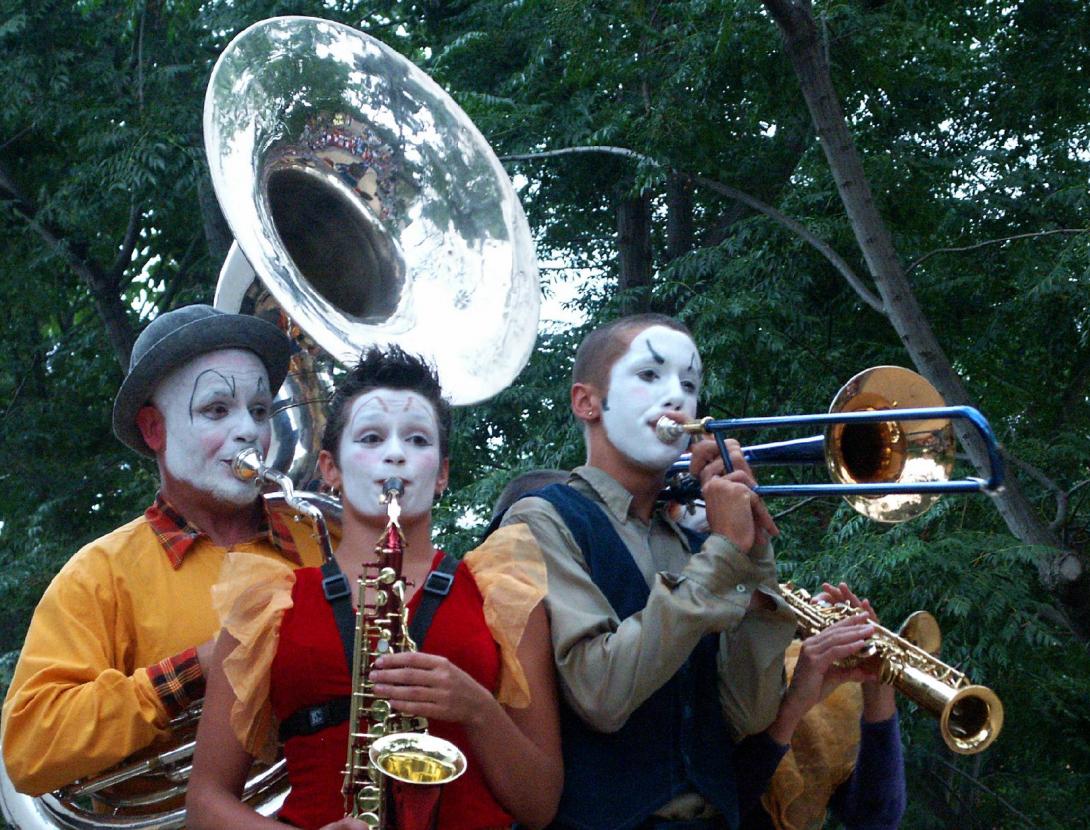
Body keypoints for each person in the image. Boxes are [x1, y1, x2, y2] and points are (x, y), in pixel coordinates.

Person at [186, 346, 562, 830]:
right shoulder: (267, 602)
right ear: (330, 470)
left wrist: (477, 709)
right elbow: (205, 804)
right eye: (370, 437)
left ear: (442, 472)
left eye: (418, 440)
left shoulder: (502, 594)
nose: (396, 454)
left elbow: (542, 803)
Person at [1, 304, 328, 795]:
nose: (249, 432)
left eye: (259, 411)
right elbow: (27, 748)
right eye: (217, 409)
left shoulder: (323, 535)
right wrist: (198, 668)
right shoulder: (99, 575)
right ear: (155, 429)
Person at [499, 313, 799, 829]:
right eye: (649, 375)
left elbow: (744, 715)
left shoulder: (687, 540)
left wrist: (753, 553)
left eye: (689, 384)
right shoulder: (541, 519)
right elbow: (602, 695)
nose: (677, 399)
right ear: (586, 402)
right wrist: (724, 552)